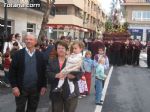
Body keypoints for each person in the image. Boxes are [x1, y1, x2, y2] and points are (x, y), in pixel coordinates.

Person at [9, 33, 47, 112]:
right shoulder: (18, 54)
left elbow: (44, 72)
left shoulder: (40, 55)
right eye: (26, 39)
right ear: (24, 41)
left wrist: (44, 85)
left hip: (35, 89)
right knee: (20, 109)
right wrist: (14, 86)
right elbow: (12, 72)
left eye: (31, 39)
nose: (28, 41)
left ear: (35, 41)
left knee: (32, 109)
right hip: (21, 88)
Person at [46, 40, 82, 112]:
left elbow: (80, 73)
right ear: (56, 49)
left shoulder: (72, 59)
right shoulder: (51, 60)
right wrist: (56, 75)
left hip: (70, 93)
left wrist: (74, 76)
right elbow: (47, 73)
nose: (60, 50)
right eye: (58, 48)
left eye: (62, 48)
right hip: (56, 94)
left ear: (66, 49)